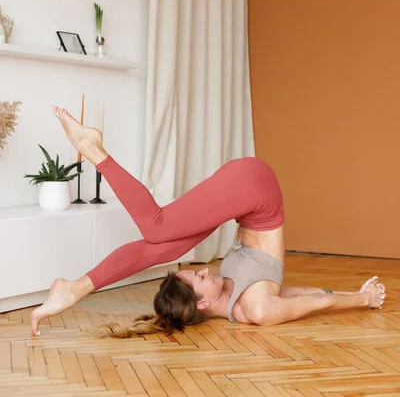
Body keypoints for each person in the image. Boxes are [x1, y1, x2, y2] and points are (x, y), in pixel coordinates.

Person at [30, 107, 386, 338]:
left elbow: (293, 295)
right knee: (159, 232)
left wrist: (347, 296)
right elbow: (309, 300)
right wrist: (361, 299)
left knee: (164, 241)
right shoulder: (257, 308)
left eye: (197, 273)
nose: (206, 271)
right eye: (200, 278)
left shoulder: (237, 299)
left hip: (244, 195)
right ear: (201, 305)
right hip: (255, 192)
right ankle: (94, 152)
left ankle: (76, 287)